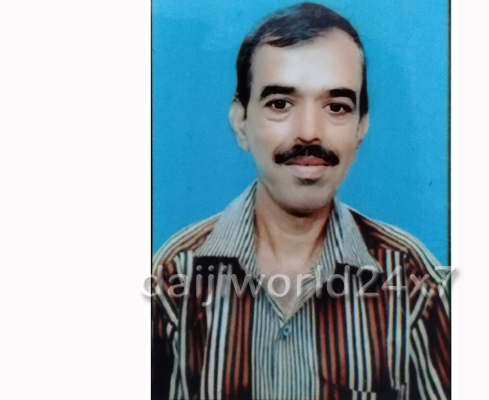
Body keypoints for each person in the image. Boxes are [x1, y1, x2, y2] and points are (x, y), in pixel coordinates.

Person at [151, 3, 450, 399]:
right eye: (280, 103)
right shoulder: (174, 274)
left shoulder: (413, 280)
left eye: (337, 107)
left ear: (361, 128)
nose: (309, 133)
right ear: (240, 122)